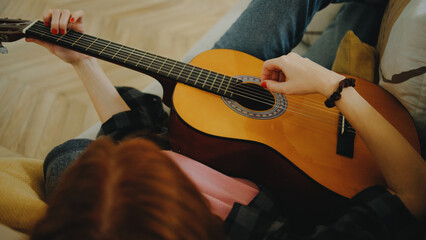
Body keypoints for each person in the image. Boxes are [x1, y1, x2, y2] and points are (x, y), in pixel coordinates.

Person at [26, 2, 425, 240]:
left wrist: (83, 60)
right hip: (308, 148)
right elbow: (414, 196)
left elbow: (131, 134)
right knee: (354, 23)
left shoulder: (92, 195)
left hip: (215, 115)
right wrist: (331, 84)